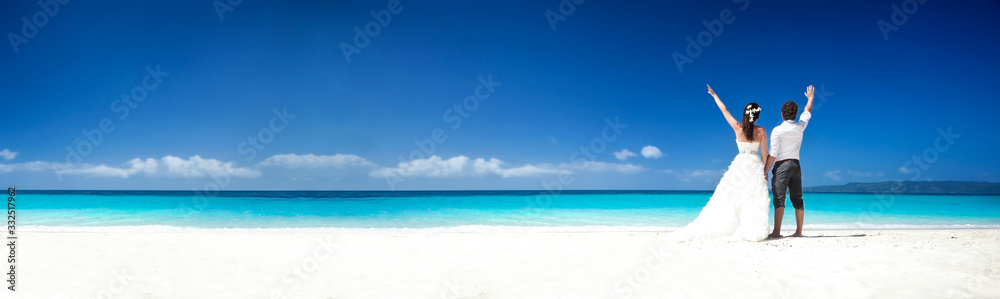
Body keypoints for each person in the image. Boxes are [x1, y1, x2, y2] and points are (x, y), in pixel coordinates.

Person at [674, 85, 770, 242]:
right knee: (751, 198)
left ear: (745, 114)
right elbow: (765, 154)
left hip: (740, 165)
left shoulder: (737, 127)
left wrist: (714, 95)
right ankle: (749, 228)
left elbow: (724, 110)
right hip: (754, 165)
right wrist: (765, 172)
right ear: (757, 116)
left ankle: (734, 226)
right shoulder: (761, 131)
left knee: (732, 196)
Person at [764, 85, 815, 238]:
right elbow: (807, 112)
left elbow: (773, 153)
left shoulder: (778, 130)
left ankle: (777, 232)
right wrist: (811, 98)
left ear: (782, 114)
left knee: (779, 199)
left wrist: (765, 171)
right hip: (796, 165)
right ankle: (799, 232)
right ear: (795, 114)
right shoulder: (800, 126)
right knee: (798, 199)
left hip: (782, 166)